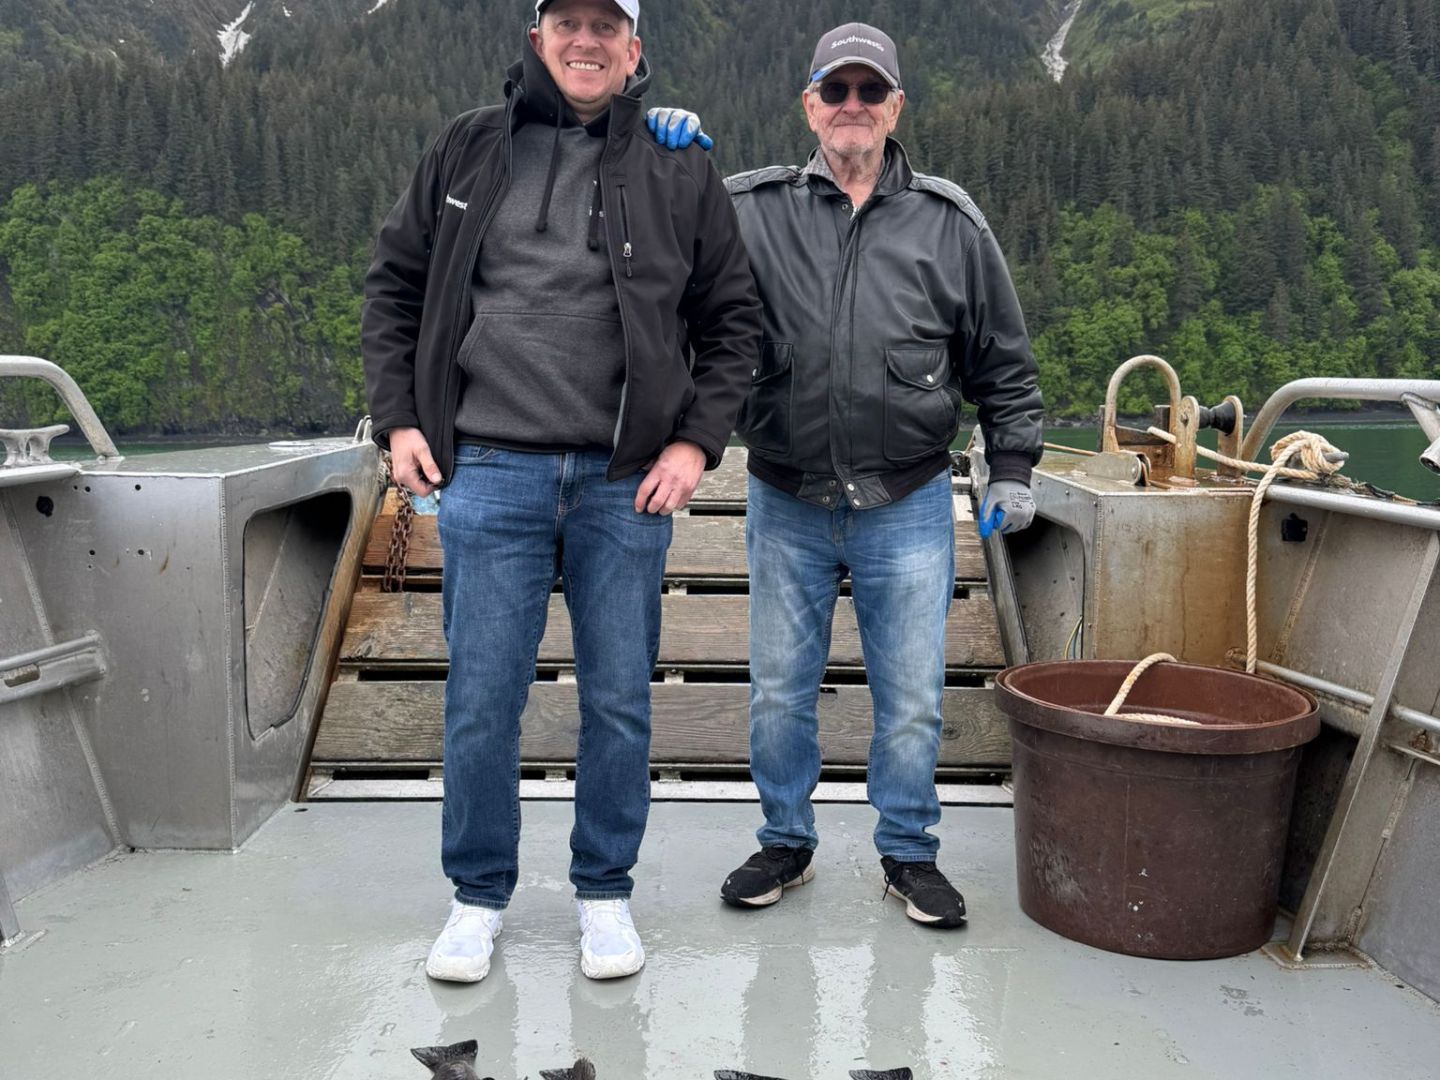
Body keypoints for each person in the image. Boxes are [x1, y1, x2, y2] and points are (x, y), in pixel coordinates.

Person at [362, 0, 761, 982]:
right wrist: (400, 419)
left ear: (634, 47)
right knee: (481, 702)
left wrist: (694, 445)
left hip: (624, 484)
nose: (587, 41)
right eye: (568, 22)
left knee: (618, 702)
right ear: (537, 37)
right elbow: (395, 287)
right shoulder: (466, 148)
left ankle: (604, 892)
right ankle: (477, 896)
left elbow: (734, 321)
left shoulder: (677, 163)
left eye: (606, 25)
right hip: (488, 471)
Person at [709, 23, 1043, 927]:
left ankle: (908, 853)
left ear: (895, 107)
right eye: (835, 89)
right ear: (809, 105)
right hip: (786, 497)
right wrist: (656, 139)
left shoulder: (951, 222)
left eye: (869, 91)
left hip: (909, 499)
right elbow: (672, 289)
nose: (851, 106)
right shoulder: (747, 210)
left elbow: (1004, 365)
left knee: (912, 700)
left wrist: (1012, 466)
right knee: (779, 693)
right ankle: (785, 841)